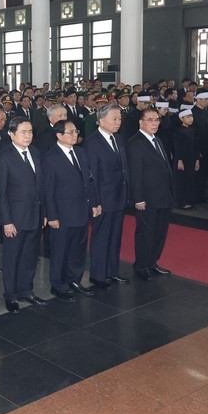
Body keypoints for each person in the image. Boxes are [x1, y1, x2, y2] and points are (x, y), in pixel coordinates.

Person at [43, 120, 101, 302]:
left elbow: (89, 181)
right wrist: (51, 215)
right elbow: (48, 189)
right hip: (62, 213)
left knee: (78, 248)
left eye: (76, 131)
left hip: (81, 210)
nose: (75, 135)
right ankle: (58, 285)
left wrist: (94, 203)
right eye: (70, 132)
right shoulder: (51, 157)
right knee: (61, 251)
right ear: (59, 135)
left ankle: (74, 280)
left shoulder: (81, 152)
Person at [0, 116, 46, 312]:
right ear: (11, 134)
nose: (28, 136)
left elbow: (40, 186)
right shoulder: (4, 157)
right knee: (13, 257)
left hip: (34, 214)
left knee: (30, 256)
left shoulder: (35, 152)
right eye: (23, 132)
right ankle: (11, 295)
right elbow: (2, 193)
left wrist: (44, 212)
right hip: (15, 218)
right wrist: (6, 221)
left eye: (30, 132)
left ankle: (26, 290)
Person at [84, 105, 131, 287]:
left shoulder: (117, 139)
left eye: (119, 119)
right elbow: (92, 176)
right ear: (101, 120)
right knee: (101, 238)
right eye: (114, 119)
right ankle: (98, 275)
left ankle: (112, 271)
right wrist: (95, 201)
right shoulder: (92, 143)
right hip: (103, 199)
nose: (118, 122)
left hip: (118, 196)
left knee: (115, 237)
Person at [127, 109, 175, 281]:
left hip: (163, 195)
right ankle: (141, 265)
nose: (155, 123)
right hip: (147, 198)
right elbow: (135, 173)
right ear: (141, 122)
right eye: (150, 120)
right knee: (146, 232)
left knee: (160, 232)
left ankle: (152, 262)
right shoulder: (136, 143)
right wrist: (138, 198)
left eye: (157, 120)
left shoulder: (157, 139)